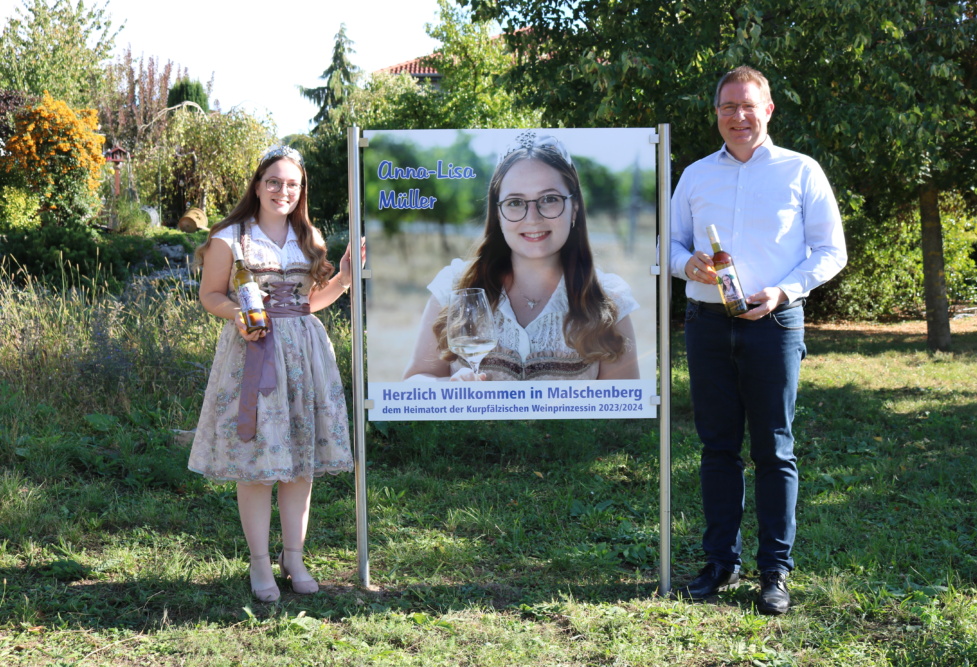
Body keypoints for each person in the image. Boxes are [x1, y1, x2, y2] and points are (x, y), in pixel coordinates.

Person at [670, 66, 846, 614]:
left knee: (775, 449)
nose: (738, 116)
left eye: (748, 106)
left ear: (768, 110)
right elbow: (669, 248)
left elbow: (830, 251)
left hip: (774, 323)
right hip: (706, 324)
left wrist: (784, 292)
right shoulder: (696, 175)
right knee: (718, 448)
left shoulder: (802, 171)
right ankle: (720, 562)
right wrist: (687, 264)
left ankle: (775, 571)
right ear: (716, 114)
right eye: (727, 107)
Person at [188, 145, 363, 602]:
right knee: (259, 466)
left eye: (292, 184)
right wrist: (239, 315)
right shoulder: (230, 236)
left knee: (298, 464)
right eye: (273, 181)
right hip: (254, 354)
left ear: (301, 190)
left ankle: (295, 556)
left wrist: (343, 280)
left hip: (305, 356)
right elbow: (210, 295)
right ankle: (260, 564)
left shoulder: (309, 236)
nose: (282, 191)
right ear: (257, 185)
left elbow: (308, 303)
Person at [403, 131, 639, 382]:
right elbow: (414, 381)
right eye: (515, 202)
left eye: (549, 199)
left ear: (575, 208)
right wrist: (447, 389)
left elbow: (626, 410)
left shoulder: (609, 299)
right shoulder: (455, 287)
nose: (533, 218)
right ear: (498, 213)